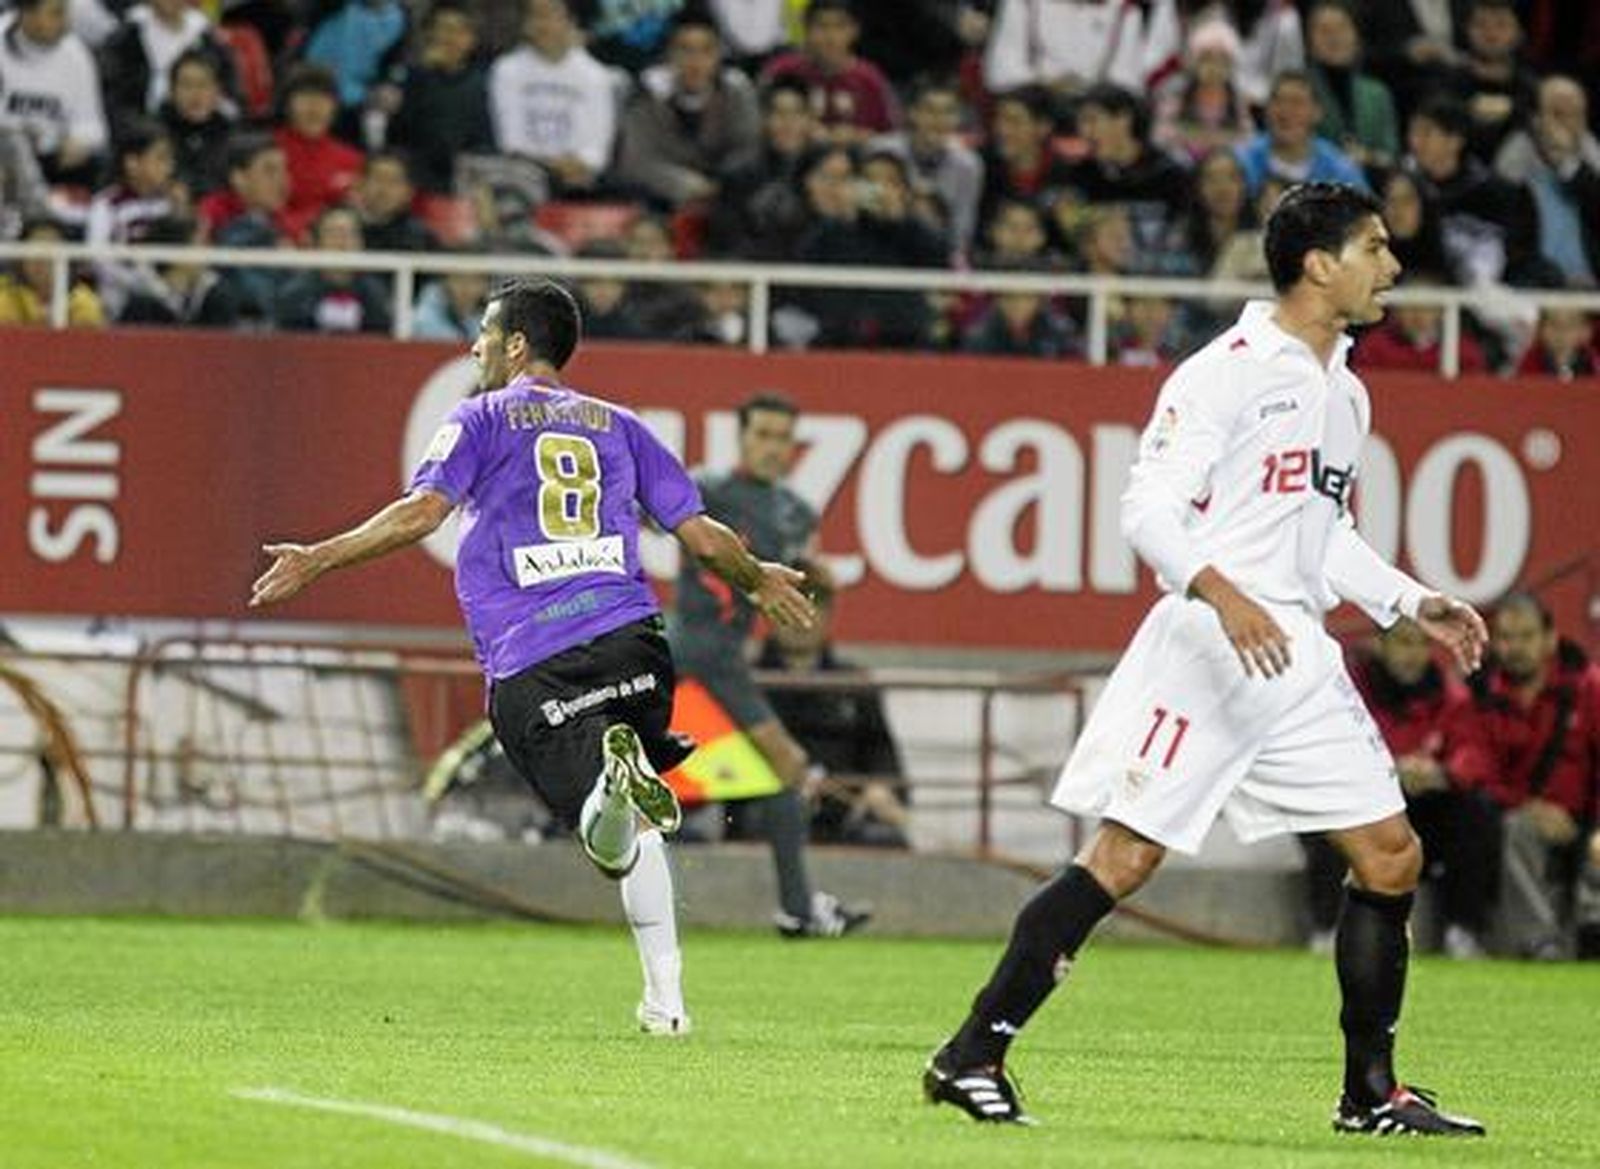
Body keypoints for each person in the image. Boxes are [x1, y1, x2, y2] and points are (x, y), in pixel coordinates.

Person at [923, 181, 1490, 1136]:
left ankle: (1371, 1093)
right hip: (1209, 647)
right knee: (1125, 856)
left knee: (1392, 856)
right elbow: (1148, 510)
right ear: (1320, 264)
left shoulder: (1344, 389)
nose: (1393, 266)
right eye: (1376, 248)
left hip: (1297, 653)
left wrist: (1410, 598)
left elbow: (1325, 531)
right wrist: (1225, 595)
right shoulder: (1222, 371)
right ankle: (972, 1051)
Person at [250, 279, 817, 1033]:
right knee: (634, 825)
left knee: (603, 829)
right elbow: (704, 536)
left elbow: (422, 512)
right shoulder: (620, 425)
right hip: (635, 647)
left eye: (484, 333)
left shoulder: (479, 416)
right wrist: (759, 579)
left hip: (533, 659)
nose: (474, 347)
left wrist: (318, 557)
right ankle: (666, 1004)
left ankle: (611, 797)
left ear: (516, 344)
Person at [669, 393, 871, 938]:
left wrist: (815, 576)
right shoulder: (705, 489)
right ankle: (798, 909)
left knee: (780, 774)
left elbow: (787, 579)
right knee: (785, 764)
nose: (771, 447)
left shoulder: (797, 512)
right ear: (741, 437)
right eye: (761, 434)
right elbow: (645, 515)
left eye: (782, 437)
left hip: (721, 662)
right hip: (691, 652)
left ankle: (798, 908)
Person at [1299, 618, 1499, 959]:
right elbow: (1329, 750)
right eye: (1404, 643)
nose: (1414, 654)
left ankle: (1463, 932)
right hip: (1365, 806)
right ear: (1381, 644)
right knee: (1330, 809)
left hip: (1425, 810)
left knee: (1477, 811)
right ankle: (1327, 928)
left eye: (1422, 644)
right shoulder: (1348, 690)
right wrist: (1390, 768)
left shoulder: (1450, 694)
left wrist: (1442, 773)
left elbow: (1475, 754)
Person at [1451, 593, 1600, 958]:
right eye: (1505, 637)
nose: (1514, 647)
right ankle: (1539, 941)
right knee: (1514, 827)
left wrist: (1597, 826)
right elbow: (1473, 769)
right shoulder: (1481, 694)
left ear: (1550, 638)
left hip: (1586, 816)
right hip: (1519, 817)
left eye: (1526, 636)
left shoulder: (1589, 687)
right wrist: (1530, 807)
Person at [753, 563, 910, 849]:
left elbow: (884, 760)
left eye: (814, 603)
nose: (801, 616)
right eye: (790, 602)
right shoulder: (741, 682)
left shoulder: (856, 684)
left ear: (830, 614)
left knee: (885, 840)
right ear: (767, 610)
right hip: (760, 821)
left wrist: (882, 790)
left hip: (841, 826)